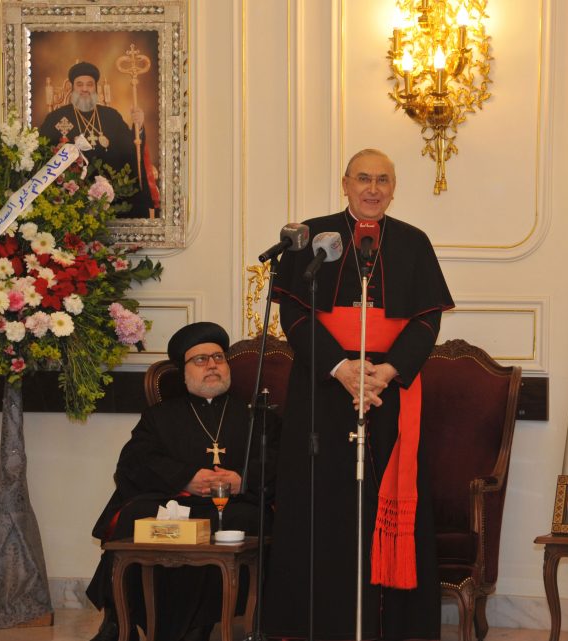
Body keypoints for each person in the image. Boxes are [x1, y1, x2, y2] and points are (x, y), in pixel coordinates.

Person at [263, 148, 454, 640]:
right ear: (345, 183)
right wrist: (341, 369)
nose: (373, 189)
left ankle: (391, 627)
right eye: (363, 178)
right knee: (323, 507)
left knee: (380, 506)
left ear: (394, 189)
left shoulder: (413, 242)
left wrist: (384, 373)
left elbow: (426, 320)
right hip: (323, 388)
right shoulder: (313, 237)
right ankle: (320, 625)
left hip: (389, 391)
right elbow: (294, 314)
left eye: (382, 180)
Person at [86, 321, 279, 641]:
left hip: (235, 503)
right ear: (184, 371)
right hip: (177, 502)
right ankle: (120, 621)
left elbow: (279, 460)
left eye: (218, 357)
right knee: (134, 515)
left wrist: (241, 480)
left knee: (242, 519)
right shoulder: (160, 416)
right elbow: (134, 463)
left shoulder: (258, 416)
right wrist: (186, 478)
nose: (212, 365)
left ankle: (198, 625)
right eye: (200, 359)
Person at [38, 61, 160, 218]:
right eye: (79, 84)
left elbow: (130, 149)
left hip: (113, 195)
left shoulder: (111, 116)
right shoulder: (56, 118)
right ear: (72, 87)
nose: (84, 89)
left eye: (89, 84)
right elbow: (44, 155)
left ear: (95, 88)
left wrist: (139, 127)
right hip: (72, 197)